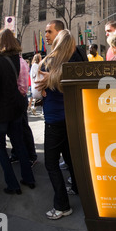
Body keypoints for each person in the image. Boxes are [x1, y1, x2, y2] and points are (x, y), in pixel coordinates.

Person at [36, 29, 80, 220]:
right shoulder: (74, 65)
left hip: (54, 120)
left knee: (51, 163)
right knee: (69, 156)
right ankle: (78, 188)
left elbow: (37, 93)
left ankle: (62, 205)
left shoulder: (47, 63)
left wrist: (45, 91)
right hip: (70, 117)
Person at [0, 29, 36, 195]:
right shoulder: (17, 59)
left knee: (0, 148)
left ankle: (13, 185)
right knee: (19, 144)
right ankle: (29, 178)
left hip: (1, 114)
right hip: (15, 111)